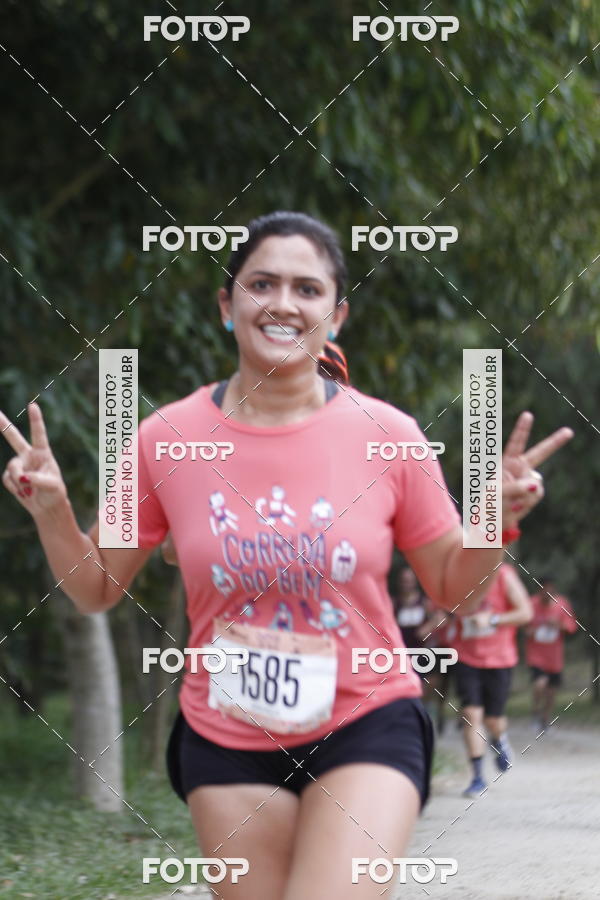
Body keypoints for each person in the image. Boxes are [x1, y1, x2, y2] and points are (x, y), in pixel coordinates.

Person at [0, 211, 573, 898]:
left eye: (307, 289)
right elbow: (95, 588)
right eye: (261, 283)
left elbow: (454, 587)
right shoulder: (163, 437)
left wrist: (494, 519)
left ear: (336, 315)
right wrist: (53, 511)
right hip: (227, 733)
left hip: (367, 718)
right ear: (227, 304)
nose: (282, 303)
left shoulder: (389, 434)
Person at [449, 562, 533, 798]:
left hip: (499, 659)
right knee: (470, 714)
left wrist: (493, 620)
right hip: (466, 656)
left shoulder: (504, 575)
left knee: (493, 720)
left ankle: (499, 739)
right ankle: (477, 777)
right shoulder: (457, 573)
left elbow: (525, 613)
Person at [525, 578, 576, 731]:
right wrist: (533, 630)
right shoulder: (531, 604)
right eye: (544, 591)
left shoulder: (562, 604)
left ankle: (545, 719)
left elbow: (571, 626)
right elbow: (524, 627)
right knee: (539, 684)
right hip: (536, 655)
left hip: (554, 656)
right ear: (539, 591)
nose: (548, 595)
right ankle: (535, 712)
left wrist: (559, 625)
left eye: (550, 592)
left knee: (551, 692)